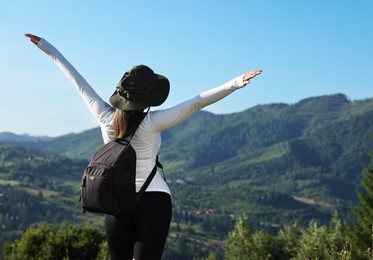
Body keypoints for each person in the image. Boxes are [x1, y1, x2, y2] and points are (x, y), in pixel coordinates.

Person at [25, 33, 262, 260]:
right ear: (147, 100)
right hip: (155, 201)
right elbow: (197, 103)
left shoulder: (104, 117)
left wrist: (47, 46)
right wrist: (236, 82)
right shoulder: (152, 122)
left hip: (116, 201)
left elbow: (77, 81)